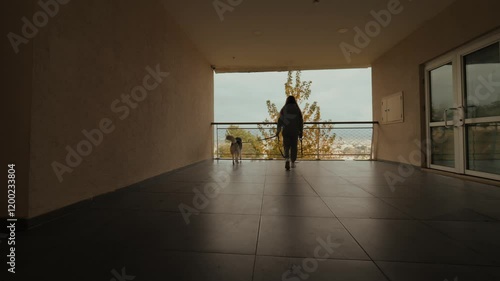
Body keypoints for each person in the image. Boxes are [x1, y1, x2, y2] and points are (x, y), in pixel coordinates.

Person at [276, 95, 303, 171]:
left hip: (286, 131)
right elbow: (300, 122)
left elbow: (280, 121)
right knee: (294, 147)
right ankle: (293, 162)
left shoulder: (284, 109)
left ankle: (287, 159)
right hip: (295, 131)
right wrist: (301, 132)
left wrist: (278, 131)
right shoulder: (297, 110)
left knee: (286, 146)